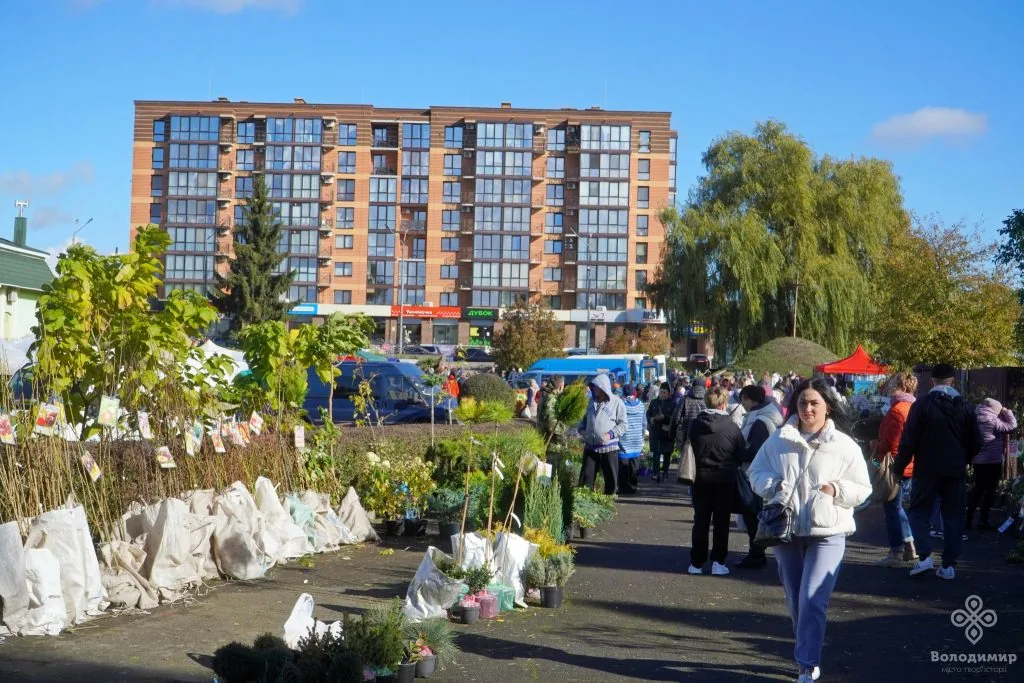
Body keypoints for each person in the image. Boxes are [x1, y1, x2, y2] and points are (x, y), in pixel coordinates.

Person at [748, 378, 871, 683]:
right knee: (795, 599)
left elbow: (863, 488)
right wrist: (773, 485)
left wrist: (837, 490)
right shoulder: (779, 440)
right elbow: (755, 472)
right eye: (803, 402)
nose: (808, 408)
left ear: (828, 406)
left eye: (815, 402)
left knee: (813, 598)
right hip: (785, 531)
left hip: (828, 532)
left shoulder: (843, 445)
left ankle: (807, 664)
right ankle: (806, 645)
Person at [893, 363, 979, 580]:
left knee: (918, 512)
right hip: (955, 470)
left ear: (932, 381)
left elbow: (909, 440)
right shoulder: (965, 406)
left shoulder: (922, 405)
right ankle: (948, 566)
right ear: (953, 380)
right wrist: (964, 458)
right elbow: (977, 441)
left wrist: (899, 467)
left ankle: (924, 557)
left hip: (926, 469)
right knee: (953, 516)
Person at [687, 387, 746, 576]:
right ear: (724, 404)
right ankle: (718, 562)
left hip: (700, 479)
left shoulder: (695, 425)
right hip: (725, 480)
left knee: (700, 521)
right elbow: (741, 454)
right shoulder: (732, 427)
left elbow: (687, 448)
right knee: (722, 523)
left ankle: (696, 563)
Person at [734, 384, 785, 569]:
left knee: (752, 514)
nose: (742, 405)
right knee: (754, 514)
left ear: (749, 399)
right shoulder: (768, 416)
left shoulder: (760, 421)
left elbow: (756, 450)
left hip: (755, 474)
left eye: (743, 400)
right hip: (764, 472)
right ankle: (756, 553)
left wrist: (737, 454)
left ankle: (756, 554)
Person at [874, 371, 918, 567]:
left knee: (892, 508)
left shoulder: (896, 411)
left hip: (896, 465)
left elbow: (891, 444)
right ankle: (909, 546)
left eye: (892, 383)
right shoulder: (915, 408)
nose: (889, 387)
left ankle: (897, 552)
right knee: (898, 507)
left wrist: (875, 450)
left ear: (901, 386)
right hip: (912, 464)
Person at [966, 398, 1017, 530]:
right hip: (993, 460)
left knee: (978, 488)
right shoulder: (993, 420)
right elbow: (1012, 425)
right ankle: (983, 520)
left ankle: (968, 518)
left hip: (978, 460)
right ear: (995, 409)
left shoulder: (974, 418)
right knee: (989, 491)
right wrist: (1007, 411)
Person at [578, 374, 629, 495]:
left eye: (596, 386)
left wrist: (610, 434)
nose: (594, 388)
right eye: (593, 386)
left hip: (609, 448)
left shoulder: (617, 402)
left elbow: (623, 425)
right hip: (590, 447)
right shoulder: (590, 402)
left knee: (611, 482)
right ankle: (585, 501)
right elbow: (583, 420)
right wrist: (582, 430)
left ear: (603, 387)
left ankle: (608, 501)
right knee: (585, 480)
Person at [672, 383, 708, 483]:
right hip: (703, 434)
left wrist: (672, 432)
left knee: (688, 459)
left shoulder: (685, 399)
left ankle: (690, 482)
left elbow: (676, 417)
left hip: (688, 434)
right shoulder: (706, 399)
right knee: (701, 460)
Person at [618, 384, 646, 493]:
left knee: (624, 464)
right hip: (637, 439)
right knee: (634, 464)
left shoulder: (621, 405)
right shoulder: (641, 405)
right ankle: (633, 486)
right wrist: (642, 436)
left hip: (624, 438)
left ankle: (623, 487)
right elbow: (644, 423)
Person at [647, 382, 677, 482]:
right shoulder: (654, 402)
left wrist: (665, 417)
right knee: (656, 454)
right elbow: (648, 414)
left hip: (667, 434)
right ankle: (655, 473)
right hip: (655, 432)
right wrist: (650, 419)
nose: (662, 394)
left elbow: (675, 418)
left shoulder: (673, 403)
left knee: (667, 455)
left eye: (664, 393)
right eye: (661, 392)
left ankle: (665, 473)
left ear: (668, 393)